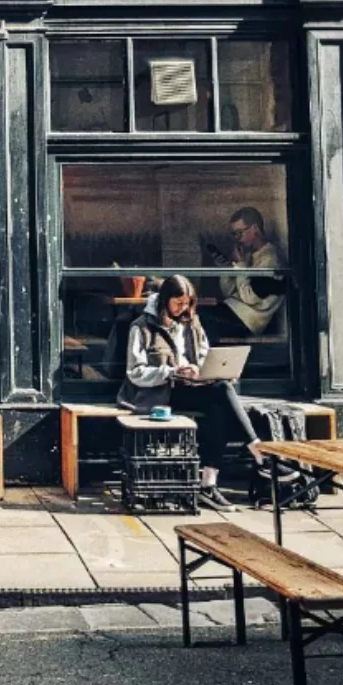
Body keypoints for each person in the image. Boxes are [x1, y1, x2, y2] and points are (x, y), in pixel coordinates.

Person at [116, 274, 265, 512]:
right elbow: (134, 372)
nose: (183, 309)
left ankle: (208, 483)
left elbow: (205, 353)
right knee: (221, 396)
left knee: (220, 401)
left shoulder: (191, 322)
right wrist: (171, 371)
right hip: (161, 393)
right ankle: (257, 450)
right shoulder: (142, 327)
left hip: (191, 386)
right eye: (178, 303)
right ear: (165, 300)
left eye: (187, 304)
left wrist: (202, 369)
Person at [202, 207, 288, 339]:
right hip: (235, 311)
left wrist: (241, 265)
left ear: (255, 229)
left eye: (239, 233)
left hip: (249, 321)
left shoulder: (270, 259)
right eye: (234, 234)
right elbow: (229, 293)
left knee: (200, 319)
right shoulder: (249, 255)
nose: (237, 239)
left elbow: (250, 298)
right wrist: (225, 268)